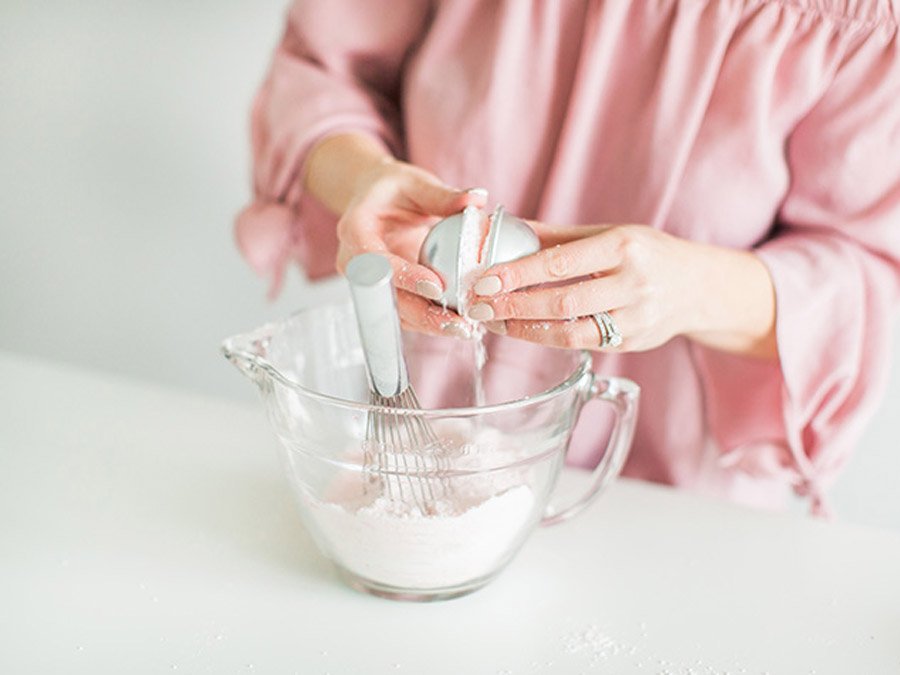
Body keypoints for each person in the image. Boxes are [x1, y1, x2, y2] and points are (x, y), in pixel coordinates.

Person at [235, 0, 900, 516]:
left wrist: (688, 288)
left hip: (671, 510)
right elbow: (319, 75)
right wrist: (363, 182)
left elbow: (865, 273)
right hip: (418, 460)